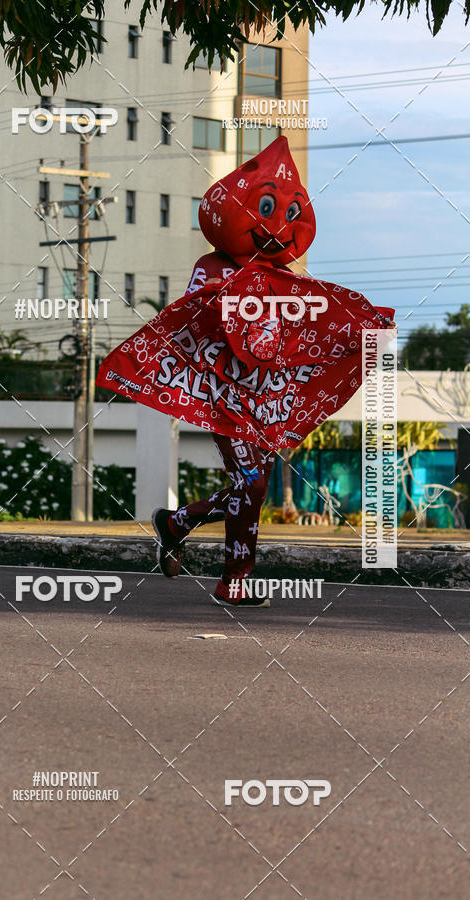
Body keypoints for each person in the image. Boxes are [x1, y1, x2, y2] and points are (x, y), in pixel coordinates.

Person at [97, 137, 395, 606]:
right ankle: (232, 580)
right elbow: (197, 317)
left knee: (249, 488)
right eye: (267, 210)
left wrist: (362, 325)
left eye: (290, 214)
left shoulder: (285, 281)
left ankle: (177, 523)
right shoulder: (211, 268)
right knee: (252, 484)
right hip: (226, 397)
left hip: (265, 401)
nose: (277, 229)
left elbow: (310, 328)